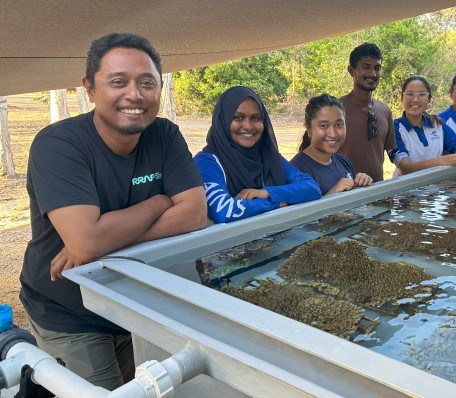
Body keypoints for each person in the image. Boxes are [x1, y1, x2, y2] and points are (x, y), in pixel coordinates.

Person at [20, 33, 207, 390]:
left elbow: (195, 214)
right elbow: (86, 239)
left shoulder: (164, 135)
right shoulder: (58, 145)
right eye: (118, 82)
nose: (134, 95)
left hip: (137, 307)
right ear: (89, 87)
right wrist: (161, 201)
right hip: (69, 313)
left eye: (147, 83)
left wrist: (98, 241)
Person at [194, 86, 321, 223]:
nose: (248, 126)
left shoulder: (268, 157)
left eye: (255, 118)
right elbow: (224, 211)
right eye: (238, 117)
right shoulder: (207, 162)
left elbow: (312, 188)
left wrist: (267, 192)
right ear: (223, 121)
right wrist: (275, 203)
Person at [387, 76, 456, 176]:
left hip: (435, 191)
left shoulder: (437, 124)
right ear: (402, 97)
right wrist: (442, 161)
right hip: (406, 192)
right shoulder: (394, 128)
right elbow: (405, 168)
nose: (415, 99)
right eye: (410, 94)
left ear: (429, 99)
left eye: (422, 94)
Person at [337, 43, 396, 182]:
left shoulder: (385, 111)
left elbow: (393, 152)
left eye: (377, 68)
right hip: (343, 194)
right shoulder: (336, 109)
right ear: (351, 71)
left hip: (376, 194)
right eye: (366, 67)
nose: (372, 73)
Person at [291, 94, 373, 194]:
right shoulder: (296, 171)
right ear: (309, 129)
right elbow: (297, 209)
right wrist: (332, 194)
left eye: (338, 125)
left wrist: (361, 181)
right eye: (324, 126)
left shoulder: (344, 162)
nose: (333, 134)